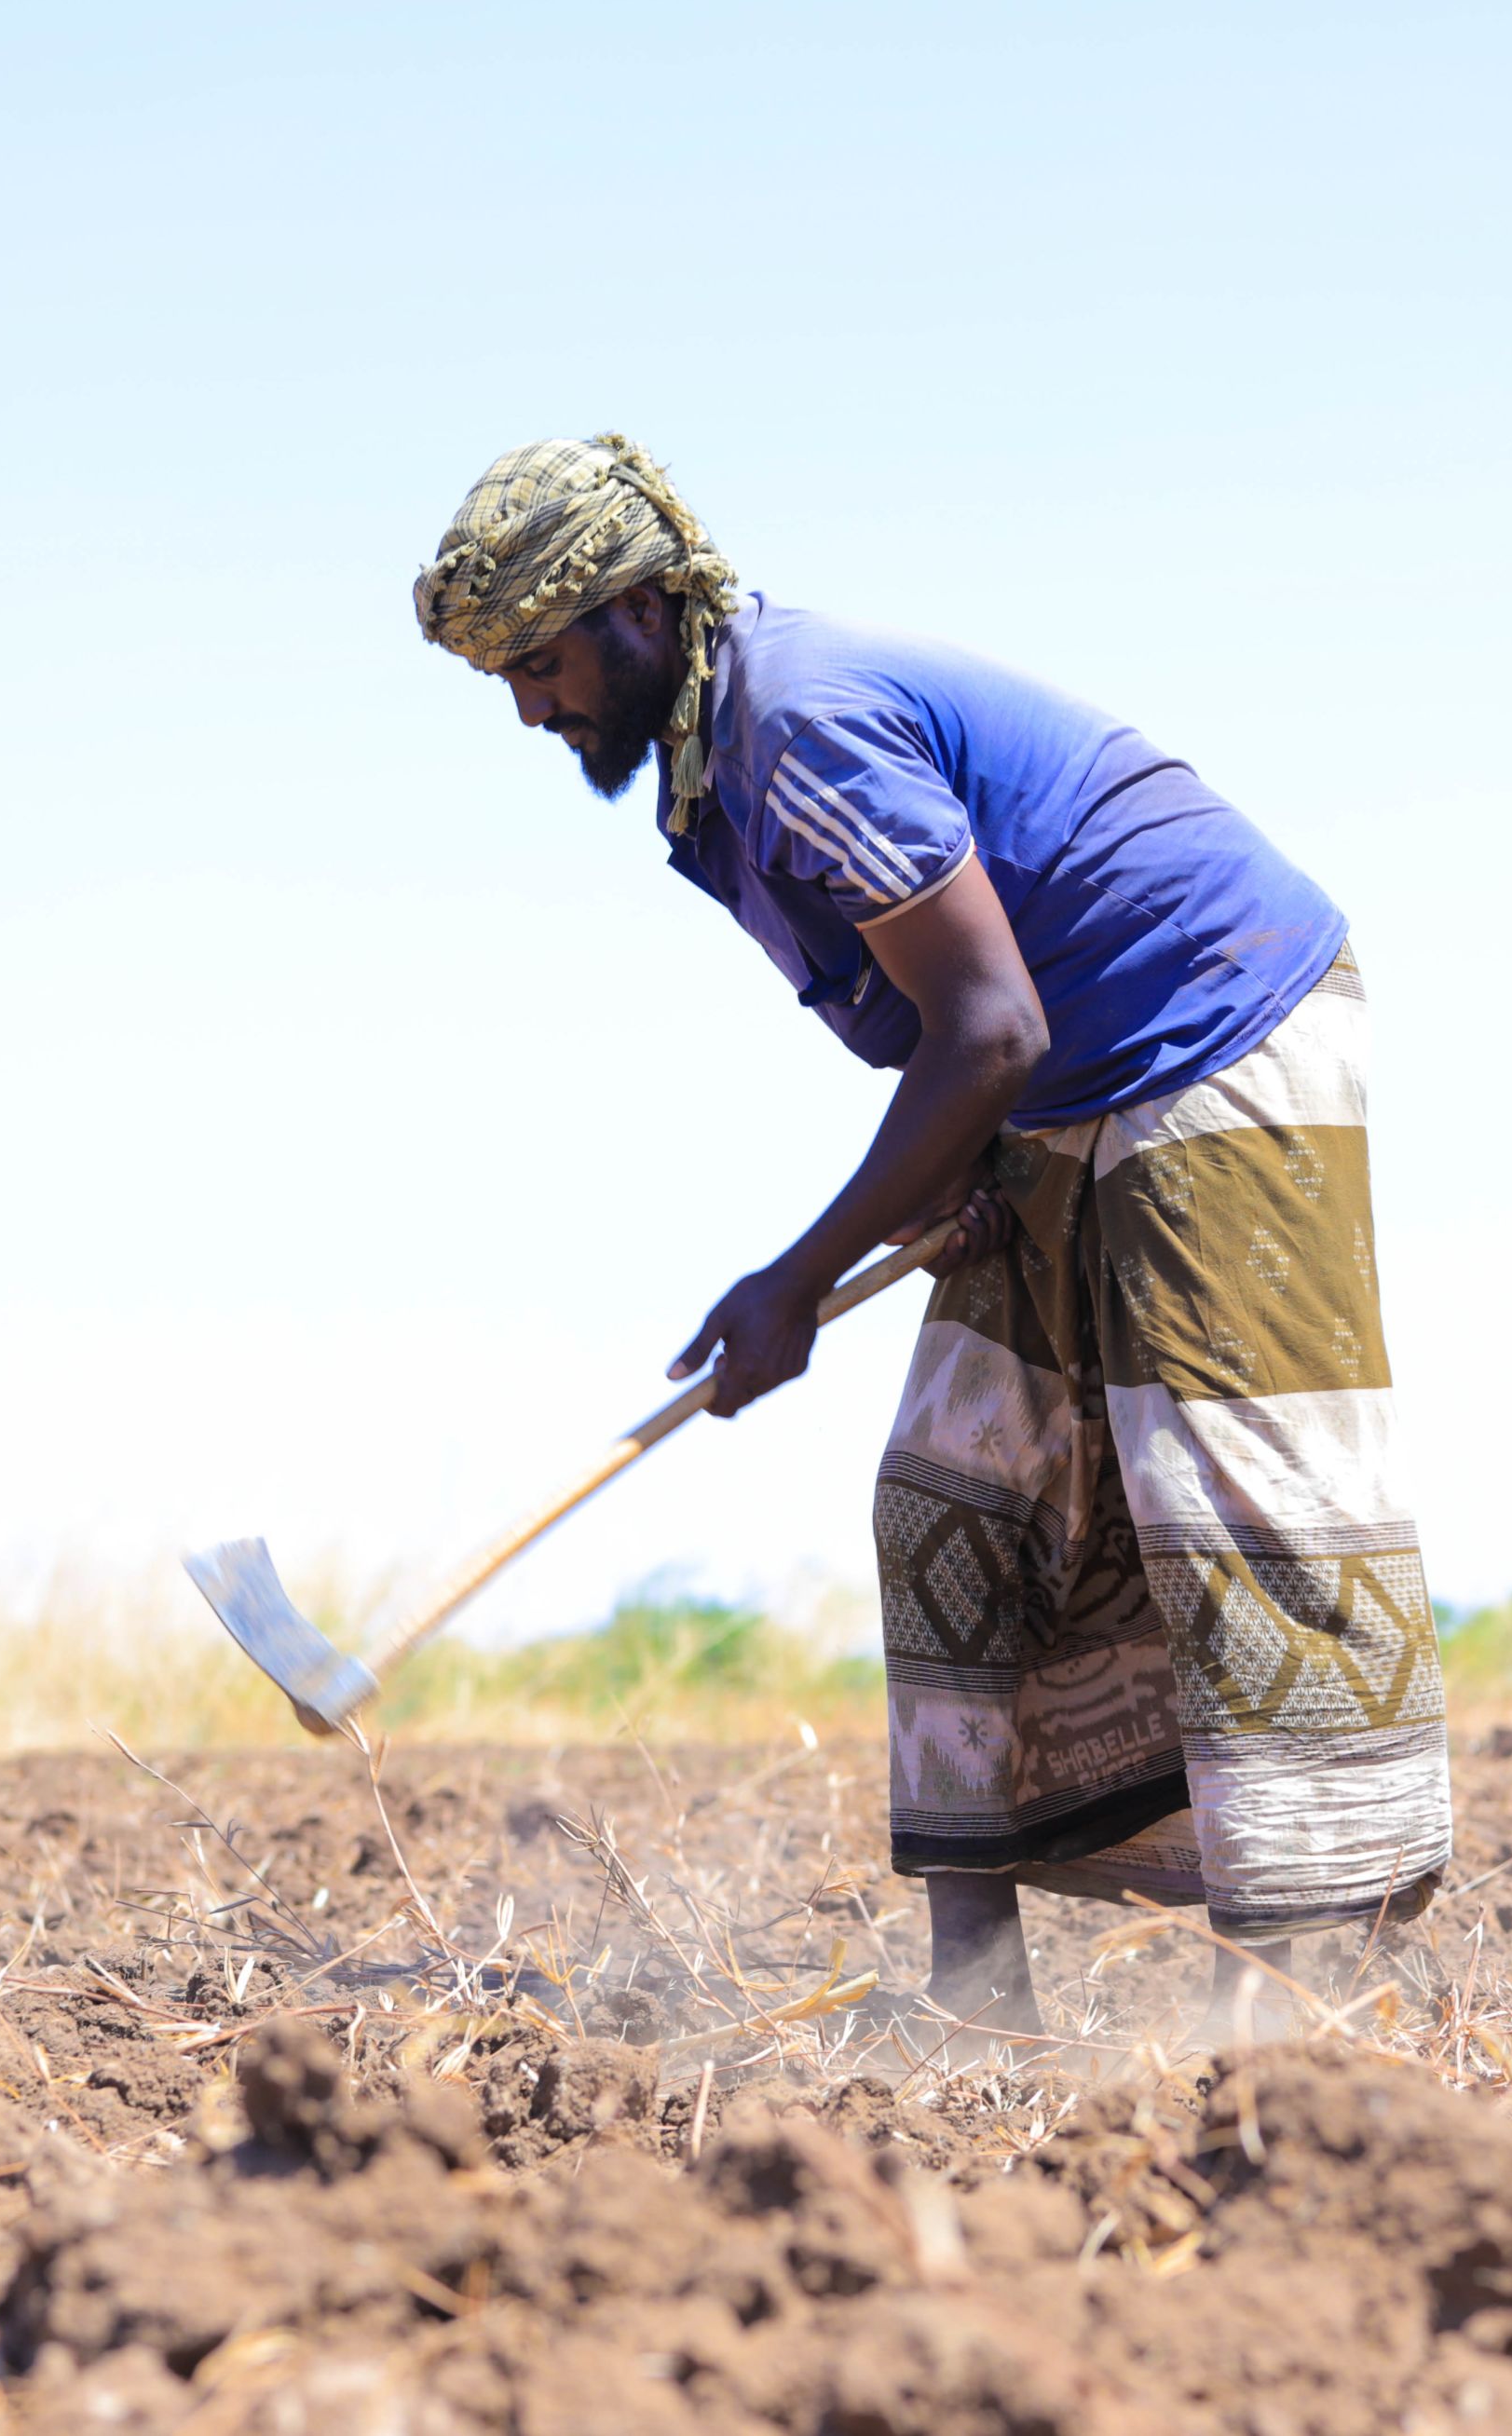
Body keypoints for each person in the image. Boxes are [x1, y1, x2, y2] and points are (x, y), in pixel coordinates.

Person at [413, 436, 1451, 2048]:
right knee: (950, 1491)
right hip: (1051, 1087)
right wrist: (938, 1190)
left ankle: (1314, 2010)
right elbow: (930, 1039)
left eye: (538, 666)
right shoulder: (711, 780)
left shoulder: (801, 725)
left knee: (1228, 1479)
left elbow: (988, 1029)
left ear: (633, 611)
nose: (532, 711)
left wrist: (799, 1280)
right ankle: (981, 2007)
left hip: (1213, 1032)